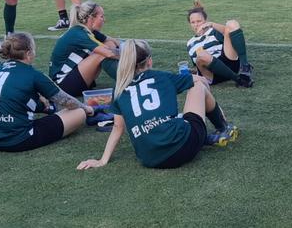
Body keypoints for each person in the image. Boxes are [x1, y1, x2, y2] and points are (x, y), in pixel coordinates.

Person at [76, 39, 238, 170]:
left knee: (176, 118)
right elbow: (201, 81)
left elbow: (118, 128)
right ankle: (223, 126)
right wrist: (215, 107)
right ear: (150, 61)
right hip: (184, 146)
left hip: (150, 159)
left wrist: (102, 160)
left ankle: (202, 134)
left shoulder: (118, 90)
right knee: (197, 87)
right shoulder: (160, 76)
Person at [0, 32, 95, 152]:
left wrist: (42, 105)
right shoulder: (33, 74)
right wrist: (87, 109)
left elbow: (12, 97)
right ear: (28, 53)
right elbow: (66, 101)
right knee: (79, 112)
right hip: (16, 139)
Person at [49, 0, 119, 97]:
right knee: (102, 54)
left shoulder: (87, 31)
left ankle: (128, 77)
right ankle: (129, 81)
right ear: (91, 18)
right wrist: (132, 56)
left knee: (109, 44)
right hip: (64, 84)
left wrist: (126, 49)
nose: (104, 20)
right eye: (101, 16)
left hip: (73, 77)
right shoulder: (78, 33)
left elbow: (113, 42)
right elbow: (108, 53)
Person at [186, 0, 254, 88]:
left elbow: (228, 31)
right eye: (193, 22)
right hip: (211, 75)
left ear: (205, 20)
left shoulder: (213, 31)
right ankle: (240, 80)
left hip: (229, 64)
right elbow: (197, 64)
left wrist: (212, 24)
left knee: (232, 23)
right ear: (190, 24)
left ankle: (245, 67)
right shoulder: (190, 43)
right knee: (202, 55)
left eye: (199, 21)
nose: (196, 25)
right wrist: (192, 70)